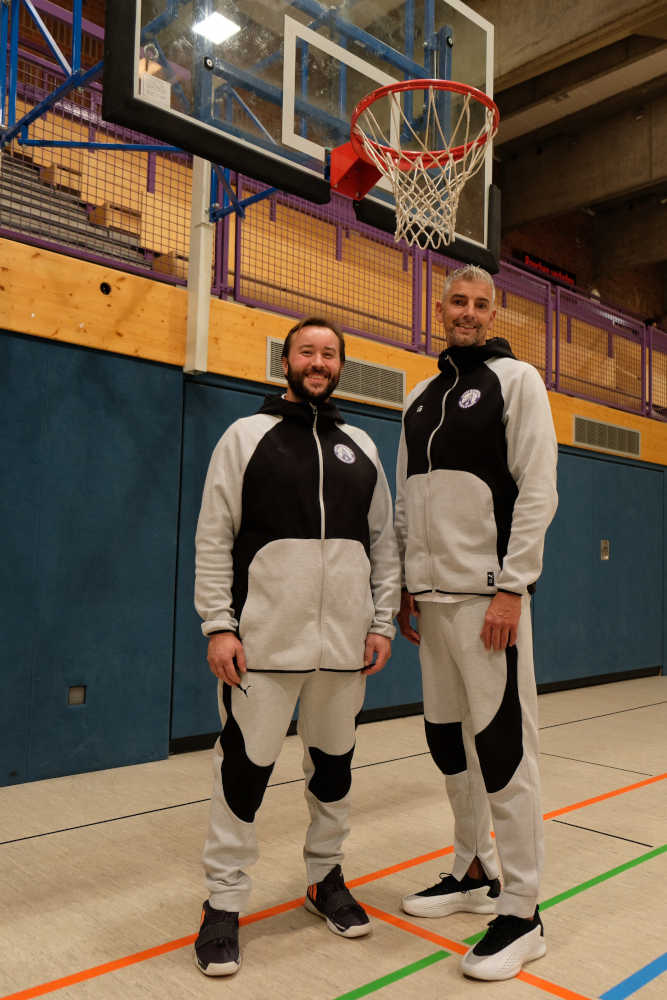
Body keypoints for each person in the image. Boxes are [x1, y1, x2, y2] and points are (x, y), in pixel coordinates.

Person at [193, 315, 401, 976]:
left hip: (344, 650)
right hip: (260, 649)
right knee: (242, 778)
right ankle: (222, 904)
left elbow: (384, 545)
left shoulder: (361, 446)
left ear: (339, 366)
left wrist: (381, 621)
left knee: (334, 772)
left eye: (329, 353)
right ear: (285, 362)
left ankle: (325, 880)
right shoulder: (244, 437)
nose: (318, 361)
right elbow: (213, 537)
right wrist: (218, 625)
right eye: (307, 351)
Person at [395, 265, 558, 981]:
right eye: (456, 301)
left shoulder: (517, 382)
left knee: (502, 750)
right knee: (446, 744)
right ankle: (470, 869)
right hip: (429, 602)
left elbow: (537, 488)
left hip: (489, 601)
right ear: (441, 308)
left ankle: (522, 910)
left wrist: (513, 587)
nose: (466, 312)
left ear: (493, 313)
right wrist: (404, 583)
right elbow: (405, 500)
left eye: (479, 304)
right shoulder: (418, 397)